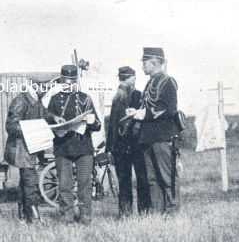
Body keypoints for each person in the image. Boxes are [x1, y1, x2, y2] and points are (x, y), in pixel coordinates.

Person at [127, 47, 181, 214]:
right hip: (147, 138)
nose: (142, 66)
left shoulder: (168, 81)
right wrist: (136, 113)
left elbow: (168, 109)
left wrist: (142, 114)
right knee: (152, 179)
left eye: (144, 62)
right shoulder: (151, 82)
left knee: (167, 177)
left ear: (154, 62)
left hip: (163, 137)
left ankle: (172, 213)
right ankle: (157, 214)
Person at [47, 65, 101, 225]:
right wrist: (54, 119)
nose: (68, 84)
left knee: (85, 183)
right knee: (64, 185)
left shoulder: (86, 98)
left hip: (83, 147)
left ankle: (85, 216)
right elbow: (47, 121)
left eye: (71, 81)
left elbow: (97, 125)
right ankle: (67, 216)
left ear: (76, 81)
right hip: (63, 147)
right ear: (61, 81)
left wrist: (91, 122)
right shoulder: (55, 100)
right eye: (65, 81)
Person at [4, 74, 51, 223]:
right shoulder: (20, 100)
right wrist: (32, 130)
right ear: (34, 85)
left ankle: (23, 216)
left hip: (28, 148)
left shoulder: (35, 101)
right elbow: (11, 126)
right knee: (31, 182)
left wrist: (54, 118)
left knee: (25, 183)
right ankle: (34, 219)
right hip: (21, 150)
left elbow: (45, 114)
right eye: (43, 86)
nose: (45, 89)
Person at [106, 66, 149, 217]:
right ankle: (144, 212)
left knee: (124, 182)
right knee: (141, 180)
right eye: (133, 78)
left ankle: (125, 214)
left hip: (121, 146)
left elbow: (111, 125)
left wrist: (109, 148)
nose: (134, 81)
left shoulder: (116, 97)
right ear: (131, 79)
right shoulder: (138, 95)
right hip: (136, 145)